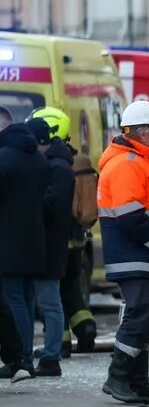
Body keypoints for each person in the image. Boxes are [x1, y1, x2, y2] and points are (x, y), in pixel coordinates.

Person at [97, 100, 149, 404]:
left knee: (146, 315)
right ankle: (118, 377)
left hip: (138, 254)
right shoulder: (127, 162)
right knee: (141, 313)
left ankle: (138, 382)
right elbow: (129, 215)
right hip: (135, 252)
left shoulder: (137, 160)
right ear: (142, 132)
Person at [29, 106, 99, 355]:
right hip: (77, 238)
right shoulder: (75, 159)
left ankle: (61, 342)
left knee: (53, 294)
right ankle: (86, 325)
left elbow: (51, 202)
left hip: (57, 239)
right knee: (70, 288)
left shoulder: (53, 164)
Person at [22, 116, 75, 376]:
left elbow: (53, 204)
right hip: (47, 245)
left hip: (49, 246)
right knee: (45, 302)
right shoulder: (56, 164)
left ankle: (52, 355)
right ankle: (48, 351)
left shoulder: (57, 168)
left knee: (50, 302)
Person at [0, 106, 42, 382]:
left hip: (8, 238)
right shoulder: (35, 156)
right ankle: (24, 356)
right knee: (25, 298)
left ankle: (22, 358)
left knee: (12, 299)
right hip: (35, 236)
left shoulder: (4, 157)